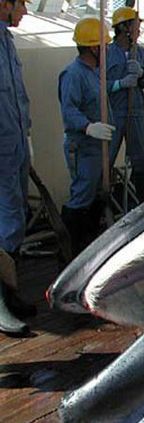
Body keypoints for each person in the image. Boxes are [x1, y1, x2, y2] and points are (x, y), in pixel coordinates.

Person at [58, 17, 116, 256]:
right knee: (81, 197)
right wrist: (88, 127)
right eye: (105, 46)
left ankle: (89, 248)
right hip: (82, 146)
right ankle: (71, 253)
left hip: (96, 147)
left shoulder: (94, 72)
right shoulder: (73, 74)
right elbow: (69, 110)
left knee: (93, 195)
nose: (108, 50)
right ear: (94, 47)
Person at [0, 0, 34, 335]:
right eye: (21, 3)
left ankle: (10, 296)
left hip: (15, 146)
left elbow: (16, 96)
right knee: (5, 223)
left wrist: (26, 137)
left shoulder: (6, 42)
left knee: (15, 220)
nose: (24, 10)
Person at [107, 6, 144, 203]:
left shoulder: (142, 54)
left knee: (140, 161)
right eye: (136, 27)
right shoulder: (106, 53)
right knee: (106, 160)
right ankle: (103, 205)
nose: (139, 31)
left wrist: (142, 75)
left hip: (136, 113)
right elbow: (97, 86)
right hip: (113, 114)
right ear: (124, 28)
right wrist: (119, 84)